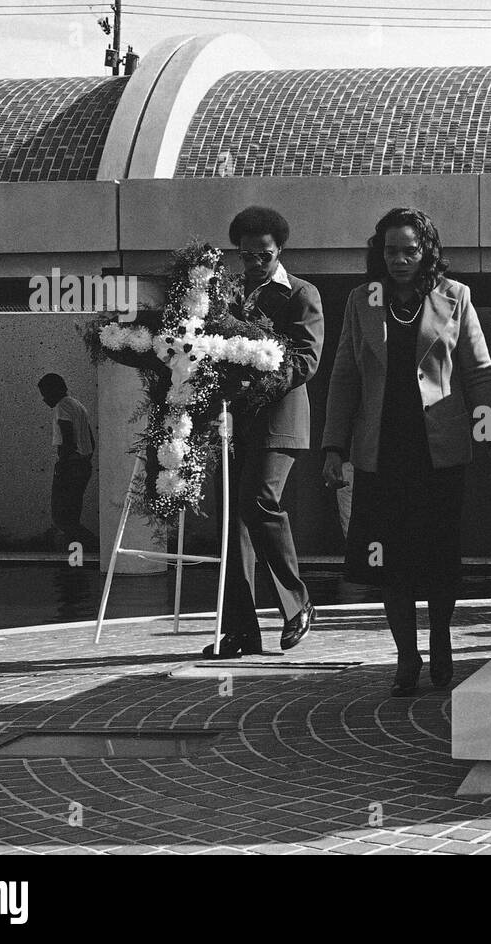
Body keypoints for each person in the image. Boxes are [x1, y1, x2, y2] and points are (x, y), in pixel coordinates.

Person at [322, 207, 491, 696]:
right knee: (388, 562)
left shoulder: (456, 297)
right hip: (381, 454)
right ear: (378, 252)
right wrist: (333, 447)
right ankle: (407, 654)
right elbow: (344, 377)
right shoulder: (361, 300)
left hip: (439, 454)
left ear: (426, 250)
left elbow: (480, 373)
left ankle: (442, 636)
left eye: (410, 249)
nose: (400, 259)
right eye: (390, 251)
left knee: (438, 558)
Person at [204, 206, 323, 659]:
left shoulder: (301, 294)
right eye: (246, 256)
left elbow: (306, 360)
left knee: (257, 498)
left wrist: (257, 377)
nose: (255, 264)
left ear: (280, 250)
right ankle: (239, 631)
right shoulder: (226, 295)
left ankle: (297, 603)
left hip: (279, 421)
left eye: (264, 255)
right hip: (231, 423)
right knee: (232, 521)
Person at [37, 373, 97, 550]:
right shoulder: (78, 406)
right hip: (83, 465)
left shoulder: (61, 407)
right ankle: (76, 556)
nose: (44, 399)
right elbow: (91, 441)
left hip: (70, 466)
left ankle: (92, 546)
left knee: (62, 517)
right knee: (72, 515)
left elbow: (67, 438)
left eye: (45, 393)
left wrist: (62, 464)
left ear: (54, 390)